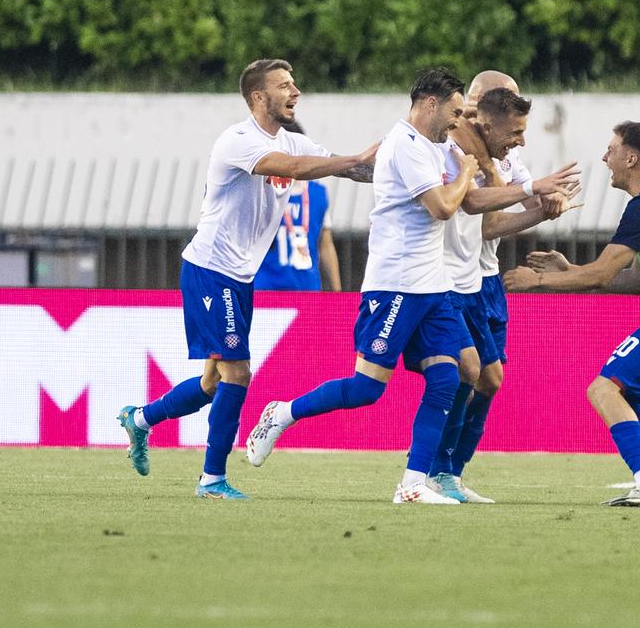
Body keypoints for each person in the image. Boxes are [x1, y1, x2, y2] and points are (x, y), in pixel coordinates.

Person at [244, 69, 577, 505]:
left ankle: (417, 482)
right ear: (430, 104)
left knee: (460, 373)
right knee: (366, 389)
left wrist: (524, 187)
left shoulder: (438, 147)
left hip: (434, 288)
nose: (459, 119)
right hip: (395, 287)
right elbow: (443, 206)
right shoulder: (404, 145)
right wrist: (470, 171)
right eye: (455, 111)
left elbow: (473, 202)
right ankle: (283, 413)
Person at [116, 59, 378, 499]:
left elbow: (345, 168)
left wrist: (392, 166)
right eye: (285, 85)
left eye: (294, 84)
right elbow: (296, 168)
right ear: (259, 96)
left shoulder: (294, 139)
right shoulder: (237, 141)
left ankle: (139, 419)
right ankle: (212, 479)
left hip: (239, 278)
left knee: (212, 383)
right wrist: (354, 158)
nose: (295, 92)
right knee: (238, 373)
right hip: (210, 270)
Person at [505, 121, 640, 508]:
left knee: (603, 389)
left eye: (611, 150)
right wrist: (570, 269)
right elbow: (632, 281)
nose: (605, 158)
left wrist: (537, 281)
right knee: (627, 392)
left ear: (631, 157)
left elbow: (601, 275)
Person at [432, 77, 578, 503]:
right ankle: (434, 469)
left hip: (486, 278)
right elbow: (487, 219)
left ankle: (449, 473)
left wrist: (548, 205)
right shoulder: (454, 150)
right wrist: (533, 199)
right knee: (470, 372)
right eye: (515, 130)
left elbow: (520, 210)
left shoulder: (506, 156)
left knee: (489, 380)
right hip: (451, 279)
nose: (520, 140)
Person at [253, 120, 341, 293]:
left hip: (306, 289)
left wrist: (337, 292)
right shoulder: (261, 191)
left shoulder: (318, 193)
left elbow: (325, 243)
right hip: (265, 289)